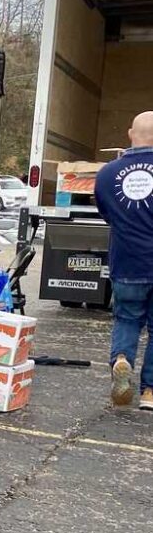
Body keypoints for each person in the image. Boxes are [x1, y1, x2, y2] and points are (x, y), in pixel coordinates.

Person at [95, 111, 153, 410]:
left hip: (127, 261)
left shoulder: (107, 173)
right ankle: (149, 393)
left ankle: (121, 360)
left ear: (132, 134)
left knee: (127, 319)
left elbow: (106, 214)